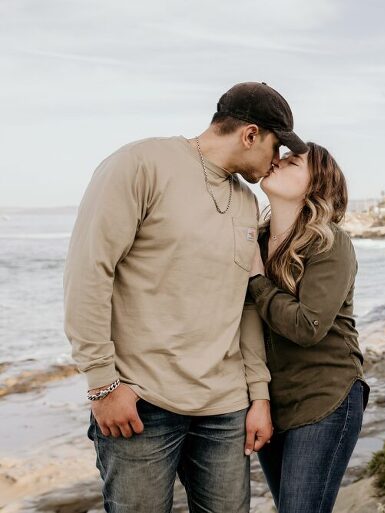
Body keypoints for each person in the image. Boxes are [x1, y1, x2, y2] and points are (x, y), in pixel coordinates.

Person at [63, 82, 308, 513]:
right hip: (141, 404)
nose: (278, 159)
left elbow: (245, 305)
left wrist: (258, 395)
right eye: (276, 146)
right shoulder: (141, 164)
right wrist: (102, 385)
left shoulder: (246, 202)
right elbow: (88, 272)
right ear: (250, 134)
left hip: (225, 410)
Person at [245, 143, 369, 513]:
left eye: (292, 161)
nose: (277, 161)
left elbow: (307, 326)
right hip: (272, 405)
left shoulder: (329, 242)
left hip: (325, 398)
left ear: (315, 185)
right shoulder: (257, 241)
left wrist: (257, 280)